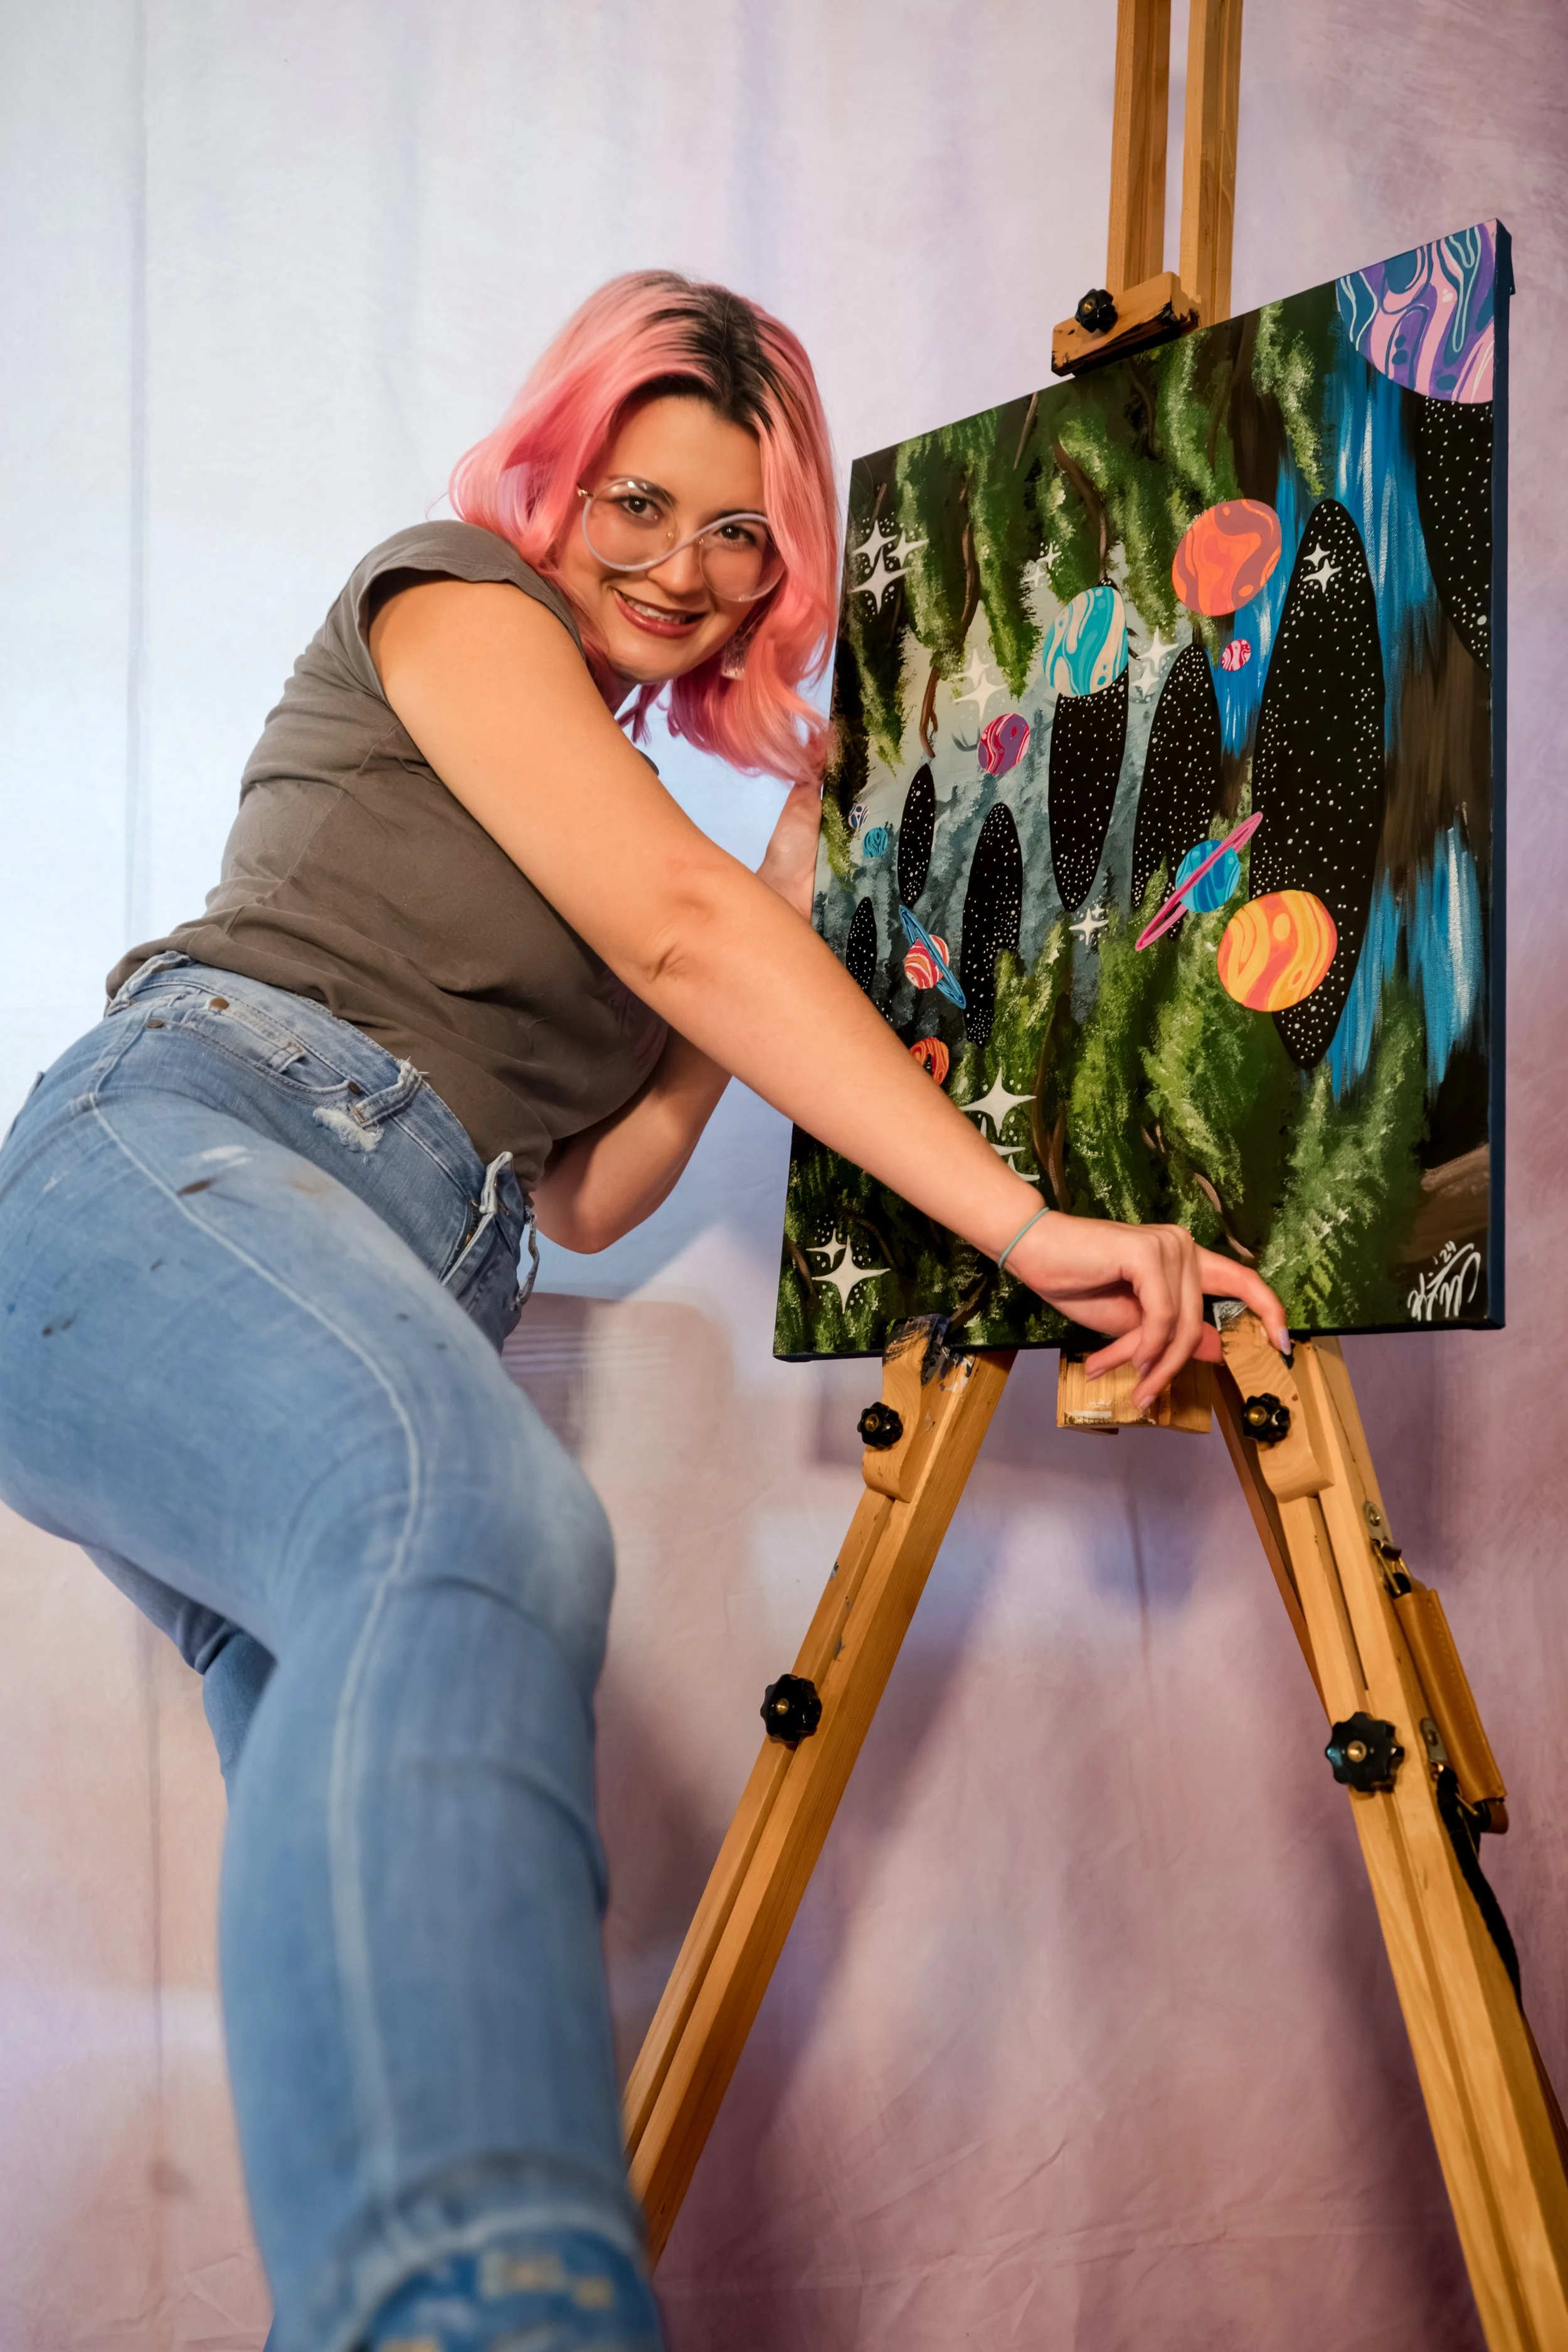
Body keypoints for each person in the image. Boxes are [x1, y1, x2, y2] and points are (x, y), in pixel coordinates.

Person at [0, 272, 1288, 2352]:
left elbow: (587, 1184)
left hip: (376, 1253)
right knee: (477, 1523)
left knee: (419, 1906)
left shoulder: (620, 840)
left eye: (738, 533)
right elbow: (681, 937)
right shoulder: (443, 599)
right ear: (549, 480)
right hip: (176, 1163)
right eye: (635, 498)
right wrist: (1024, 1220)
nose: (679, 568)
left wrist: (773, 897)